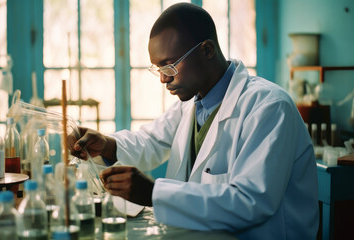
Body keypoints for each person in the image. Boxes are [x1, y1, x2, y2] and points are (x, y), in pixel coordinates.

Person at [71, 3, 319, 239]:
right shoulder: (193, 103)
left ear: (207, 50)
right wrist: (106, 144)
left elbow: (250, 202)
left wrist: (153, 192)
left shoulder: (269, 107)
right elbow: (151, 140)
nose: (163, 80)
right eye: (158, 69)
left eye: (169, 67)